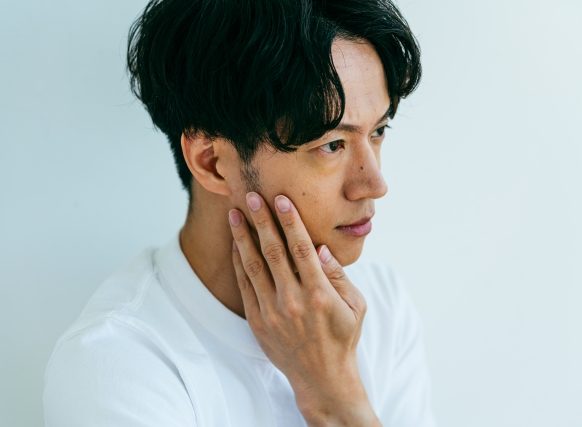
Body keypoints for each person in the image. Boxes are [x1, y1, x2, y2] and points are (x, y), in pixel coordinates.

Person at [43, 0, 436, 425]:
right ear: (212, 163)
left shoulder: (380, 302)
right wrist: (330, 403)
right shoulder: (115, 364)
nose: (375, 183)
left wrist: (339, 393)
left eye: (378, 131)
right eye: (331, 144)